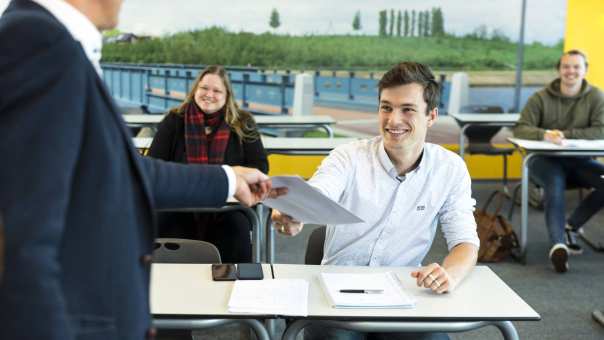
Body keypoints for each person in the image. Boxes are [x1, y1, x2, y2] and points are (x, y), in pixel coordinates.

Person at [0, 1, 284, 339]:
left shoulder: (50, 43)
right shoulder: (40, 45)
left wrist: (228, 179)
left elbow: (122, 171)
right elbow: (22, 242)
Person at [273, 62, 479, 340]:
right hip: (337, 295)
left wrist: (450, 274)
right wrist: (295, 212)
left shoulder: (450, 169)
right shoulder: (348, 157)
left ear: (431, 116)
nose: (393, 120)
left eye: (407, 109)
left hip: (403, 293)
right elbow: (321, 191)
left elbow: (466, 242)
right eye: (386, 107)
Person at [148, 65, 268, 263]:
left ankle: (236, 286)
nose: (209, 94)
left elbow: (260, 167)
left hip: (227, 206)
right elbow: (155, 162)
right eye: (204, 88)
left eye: (217, 90)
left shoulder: (243, 122)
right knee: (165, 219)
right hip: (180, 203)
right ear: (195, 89)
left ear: (227, 95)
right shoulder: (174, 120)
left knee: (236, 224)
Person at [513, 49, 604, 273]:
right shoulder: (540, 97)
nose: (570, 71)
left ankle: (571, 226)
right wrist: (544, 135)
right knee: (555, 182)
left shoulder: (596, 96)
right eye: (566, 67)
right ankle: (558, 244)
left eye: (576, 67)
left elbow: (601, 129)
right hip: (543, 161)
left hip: (577, 161)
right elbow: (521, 127)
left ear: (585, 70)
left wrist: (566, 134)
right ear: (559, 70)